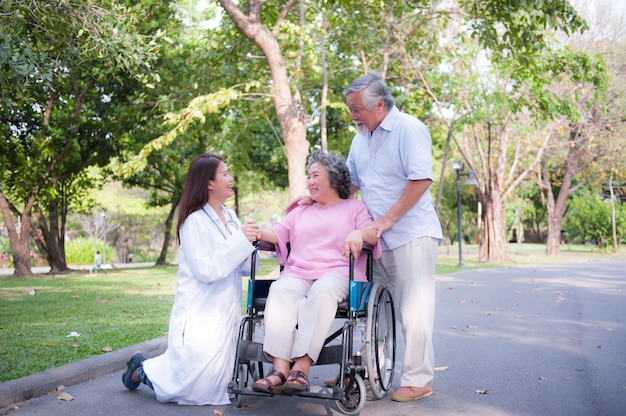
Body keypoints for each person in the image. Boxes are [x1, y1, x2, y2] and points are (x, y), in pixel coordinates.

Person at [121, 153, 259, 405]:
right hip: (199, 310)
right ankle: (141, 370)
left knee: (211, 388)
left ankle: (145, 368)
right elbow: (206, 269)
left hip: (224, 309)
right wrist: (241, 241)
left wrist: (251, 243)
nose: (231, 179)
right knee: (189, 388)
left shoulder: (231, 217)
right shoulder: (193, 222)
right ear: (209, 183)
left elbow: (244, 266)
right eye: (225, 174)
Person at [343, 71, 443, 402]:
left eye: (357, 109)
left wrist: (386, 220)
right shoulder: (361, 137)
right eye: (351, 108)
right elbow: (351, 183)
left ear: (380, 104)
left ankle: (418, 380)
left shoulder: (409, 129)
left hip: (411, 234)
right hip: (376, 239)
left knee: (413, 311)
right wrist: (315, 196)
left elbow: (420, 179)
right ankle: (366, 371)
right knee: (371, 309)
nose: (353, 115)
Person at [251, 150, 379, 395]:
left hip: (337, 273)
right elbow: (277, 233)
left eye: (315, 175)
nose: (309, 181)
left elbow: (372, 234)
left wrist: (358, 233)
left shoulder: (354, 208)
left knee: (322, 292)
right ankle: (279, 370)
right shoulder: (300, 211)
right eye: (308, 176)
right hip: (299, 272)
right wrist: (257, 233)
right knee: (280, 290)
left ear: (333, 178)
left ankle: (301, 368)